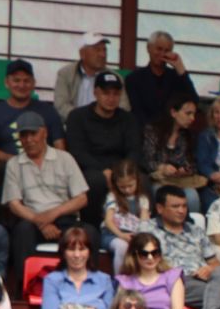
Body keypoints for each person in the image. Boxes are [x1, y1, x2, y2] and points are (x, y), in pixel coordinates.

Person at [1, 116, 91, 295]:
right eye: (23, 135)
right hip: (32, 220)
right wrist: (40, 221)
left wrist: (53, 214)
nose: (28, 140)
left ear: (44, 133)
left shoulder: (64, 158)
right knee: (22, 232)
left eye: (33, 134)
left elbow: (82, 199)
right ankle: (24, 289)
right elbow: (14, 204)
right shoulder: (14, 164)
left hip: (63, 218)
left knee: (91, 234)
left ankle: (87, 288)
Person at [149, 185, 220, 309]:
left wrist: (208, 269)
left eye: (184, 206)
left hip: (200, 280)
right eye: (175, 206)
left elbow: (214, 263)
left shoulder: (196, 231)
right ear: (160, 208)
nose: (181, 211)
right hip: (172, 281)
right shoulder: (148, 229)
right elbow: (143, 260)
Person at [64, 71, 144, 214]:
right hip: (91, 167)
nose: (111, 98)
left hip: (122, 168)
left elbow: (134, 149)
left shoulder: (128, 119)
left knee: (143, 181)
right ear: (96, 92)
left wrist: (123, 171)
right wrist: (103, 170)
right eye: (106, 93)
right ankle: (93, 227)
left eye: (116, 94)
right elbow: (77, 151)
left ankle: (142, 227)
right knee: (95, 181)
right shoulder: (78, 116)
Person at [0, 59, 66, 172]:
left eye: (26, 81)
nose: (21, 85)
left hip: (44, 166)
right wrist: (18, 161)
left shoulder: (48, 111)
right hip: (9, 166)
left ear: (34, 83)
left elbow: (59, 146)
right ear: (6, 82)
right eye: (16, 80)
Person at [142, 95, 205, 211]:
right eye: (188, 113)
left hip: (181, 181)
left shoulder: (188, 136)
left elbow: (193, 165)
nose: (192, 118)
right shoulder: (152, 131)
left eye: (194, 114)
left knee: (193, 197)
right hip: (159, 180)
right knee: (161, 195)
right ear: (173, 112)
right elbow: (146, 160)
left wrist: (185, 170)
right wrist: (162, 167)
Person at [124, 31, 197, 124]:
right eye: (159, 49)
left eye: (167, 51)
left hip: (171, 129)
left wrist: (181, 68)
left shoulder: (176, 77)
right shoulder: (133, 78)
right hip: (143, 131)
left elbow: (194, 101)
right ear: (148, 48)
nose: (162, 54)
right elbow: (138, 113)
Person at [101, 157, 152, 275]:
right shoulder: (112, 196)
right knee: (122, 247)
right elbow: (108, 221)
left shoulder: (143, 199)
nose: (127, 190)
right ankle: (120, 281)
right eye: (122, 187)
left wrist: (139, 237)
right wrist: (121, 235)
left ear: (137, 181)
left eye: (130, 185)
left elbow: (144, 221)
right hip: (113, 234)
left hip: (135, 235)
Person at [53, 33, 118, 119]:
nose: (102, 55)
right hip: (74, 124)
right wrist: (82, 120)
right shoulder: (65, 74)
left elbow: (124, 107)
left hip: (105, 126)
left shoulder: (114, 77)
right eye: (97, 50)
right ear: (82, 54)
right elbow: (60, 105)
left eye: (104, 50)